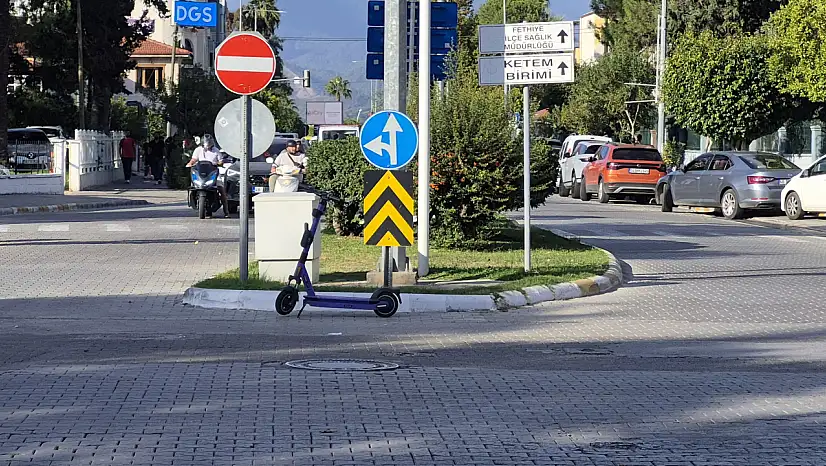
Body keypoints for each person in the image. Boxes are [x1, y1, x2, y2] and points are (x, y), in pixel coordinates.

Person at [186, 134, 230, 217]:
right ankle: (194, 199)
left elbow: (221, 161)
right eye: (206, 145)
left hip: (213, 173)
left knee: (221, 189)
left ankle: (226, 211)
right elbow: (194, 159)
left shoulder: (216, 150)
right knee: (193, 186)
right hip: (201, 173)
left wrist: (218, 163)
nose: (207, 147)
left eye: (209, 145)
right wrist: (190, 163)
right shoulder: (198, 150)